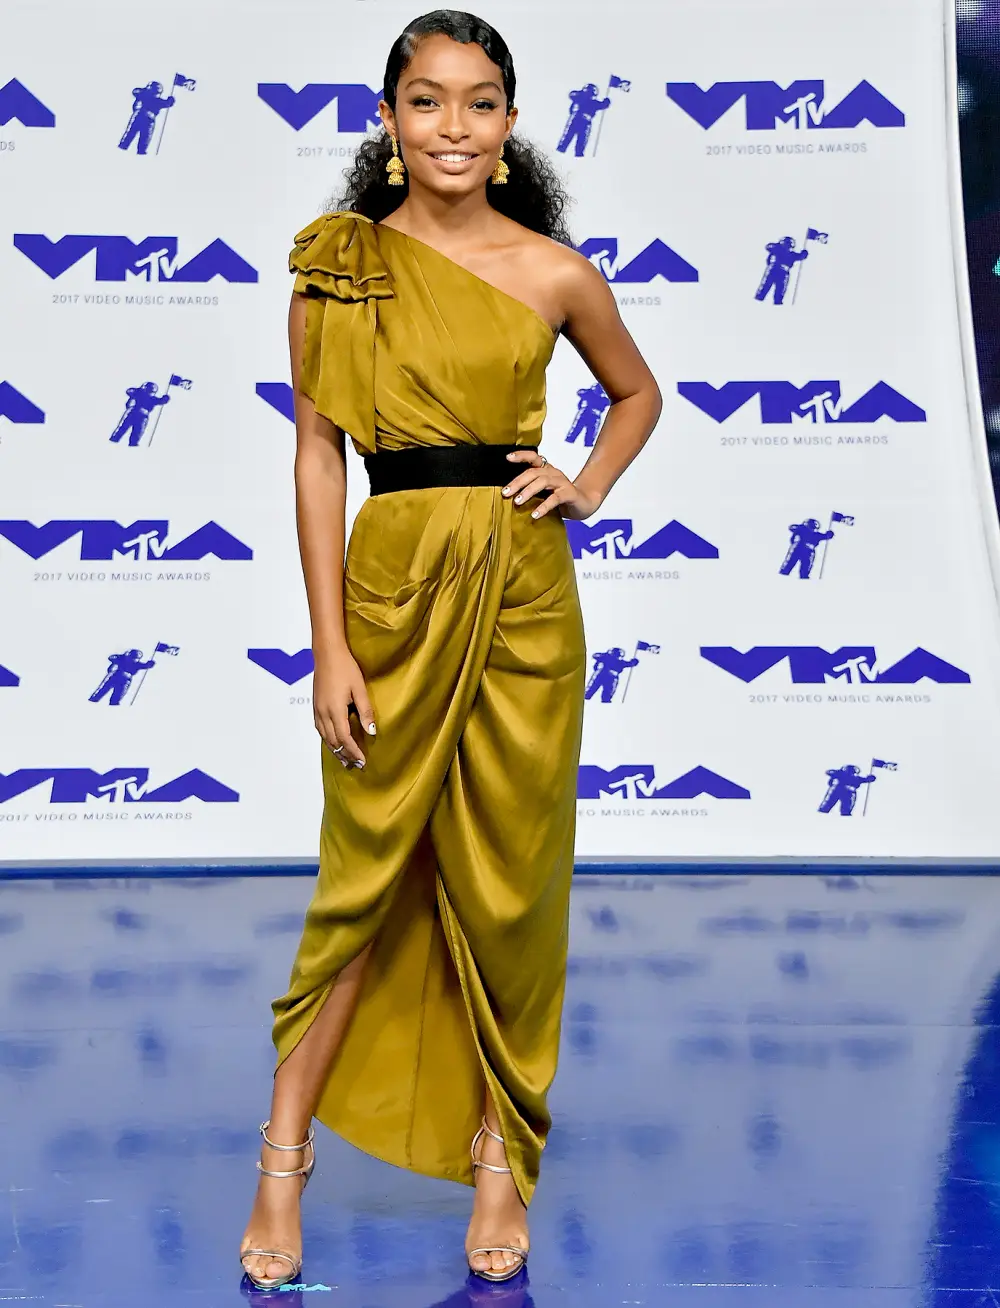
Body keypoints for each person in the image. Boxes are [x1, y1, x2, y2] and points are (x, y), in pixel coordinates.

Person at [239, 8, 661, 1292]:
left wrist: (585, 480)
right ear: (387, 121)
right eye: (427, 102)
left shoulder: (554, 272)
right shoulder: (338, 266)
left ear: (511, 125)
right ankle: (281, 1162)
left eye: (480, 104)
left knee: (508, 890)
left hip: (525, 596)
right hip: (390, 589)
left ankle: (498, 1160)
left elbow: (638, 392)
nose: (454, 128)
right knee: (361, 884)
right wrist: (327, 648)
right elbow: (317, 456)